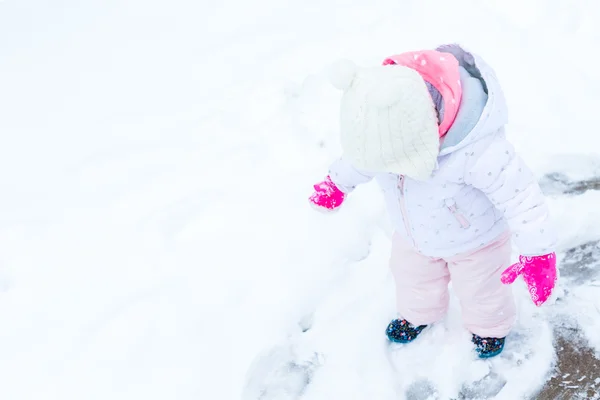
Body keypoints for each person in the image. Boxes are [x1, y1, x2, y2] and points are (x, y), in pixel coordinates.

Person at [308, 44, 558, 358]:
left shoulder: (477, 149)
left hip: (477, 241)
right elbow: (360, 159)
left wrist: (538, 253)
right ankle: (419, 314)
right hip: (414, 234)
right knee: (412, 278)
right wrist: (337, 183)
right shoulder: (378, 130)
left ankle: (489, 328)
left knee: (483, 290)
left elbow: (521, 196)